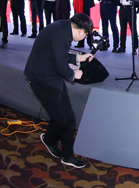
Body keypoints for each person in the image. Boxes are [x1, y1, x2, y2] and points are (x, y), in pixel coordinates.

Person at [24, 12, 95, 169]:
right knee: (62, 120)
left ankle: (68, 156)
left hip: (51, 78)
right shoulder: (62, 35)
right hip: (42, 79)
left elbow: (57, 54)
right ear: (81, 31)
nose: (84, 38)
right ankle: (49, 139)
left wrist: (78, 58)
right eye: (85, 35)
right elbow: (61, 66)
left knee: (69, 119)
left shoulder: (63, 27)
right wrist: (74, 74)